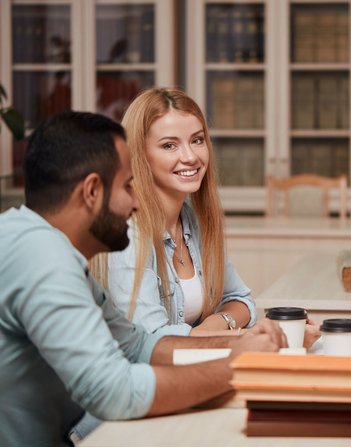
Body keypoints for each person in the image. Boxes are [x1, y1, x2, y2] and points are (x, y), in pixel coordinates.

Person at [0, 111, 285, 446]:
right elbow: (114, 392)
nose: (136, 202)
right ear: (92, 191)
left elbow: (139, 346)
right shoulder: (42, 258)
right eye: (127, 186)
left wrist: (238, 346)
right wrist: (233, 367)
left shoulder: (47, 246)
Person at [98, 87, 319, 345]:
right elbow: (154, 341)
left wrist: (213, 325)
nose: (190, 157)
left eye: (197, 140)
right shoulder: (130, 232)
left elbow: (242, 300)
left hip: (194, 367)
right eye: (169, 145)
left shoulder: (193, 221)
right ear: (140, 155)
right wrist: (273, 338)